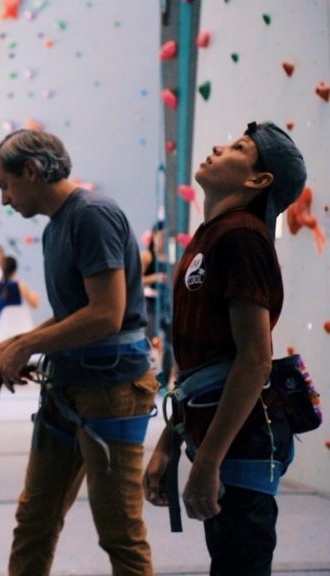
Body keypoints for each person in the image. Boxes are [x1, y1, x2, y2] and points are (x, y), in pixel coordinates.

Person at [0, 129, 159, 575]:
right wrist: (12, 347)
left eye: (6, 184)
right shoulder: (58, 226)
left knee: (120, 534)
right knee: (35, 520)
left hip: (111, 390)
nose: (4, 199)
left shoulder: (91, 216)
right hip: (70, 388)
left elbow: (106, 315)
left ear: (33, 171)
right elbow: (72, 315)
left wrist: (26, 344)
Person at [143, 122, 306, 575]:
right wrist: (170, 443)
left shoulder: (242, 238)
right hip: (214, 427)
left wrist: (207, 463)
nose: (218, 146)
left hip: (243, 439)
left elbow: (253, 360)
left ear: (258, 180)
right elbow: (202, 365)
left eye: (239, 148)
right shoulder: (211, 235)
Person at [140, 221, 174, 386]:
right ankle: (148, 379)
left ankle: (165, 379)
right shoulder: (147, 257)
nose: (163, 240)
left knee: (168, 344)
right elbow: (134, 280)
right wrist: (155, 278)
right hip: (150, 304)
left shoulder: (170, 258)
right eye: (161, 236)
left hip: (167, 305)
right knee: (150, 341)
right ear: (154, 235)